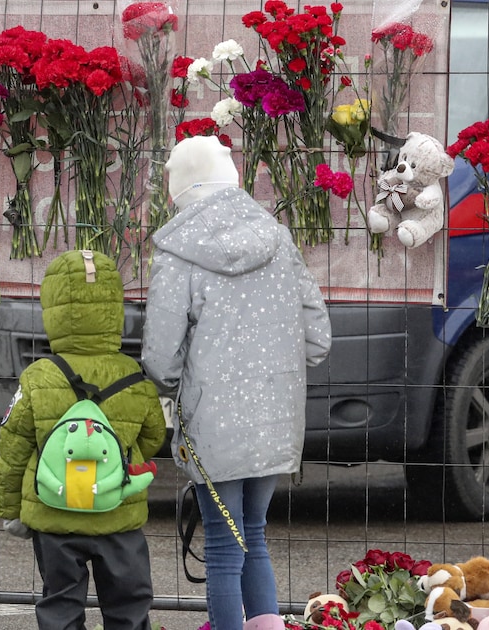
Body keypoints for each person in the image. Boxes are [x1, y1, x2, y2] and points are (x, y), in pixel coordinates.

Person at [141, 136, 332, 630]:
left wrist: (182, 380)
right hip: (275, 415)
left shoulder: (176, 251)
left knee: (225, 548)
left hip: (212, 421)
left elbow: (160, 358)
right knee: (255, 533)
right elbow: (317, 339)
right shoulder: (279, 238)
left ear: (179, 186)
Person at [0, 249, 167, 630]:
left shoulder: (39, 376)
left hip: (53, 516)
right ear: (114, 310)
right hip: (118, 513)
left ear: (53, 309)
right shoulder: (134, 376)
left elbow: (13, 447)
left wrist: (9, 509)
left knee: (60, 603)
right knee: (128, 604)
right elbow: (153, 436)